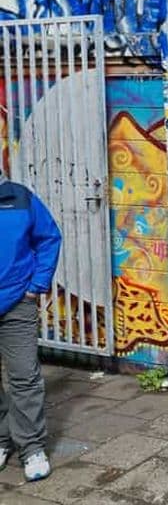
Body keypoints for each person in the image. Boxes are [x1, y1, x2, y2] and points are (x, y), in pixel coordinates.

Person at [0, 170, 62, 482]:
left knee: (24, 376)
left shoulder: (20, 198)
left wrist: (36, 285)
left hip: (16, 302)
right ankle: (1, 439)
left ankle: (32, 448)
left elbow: (50, 237)